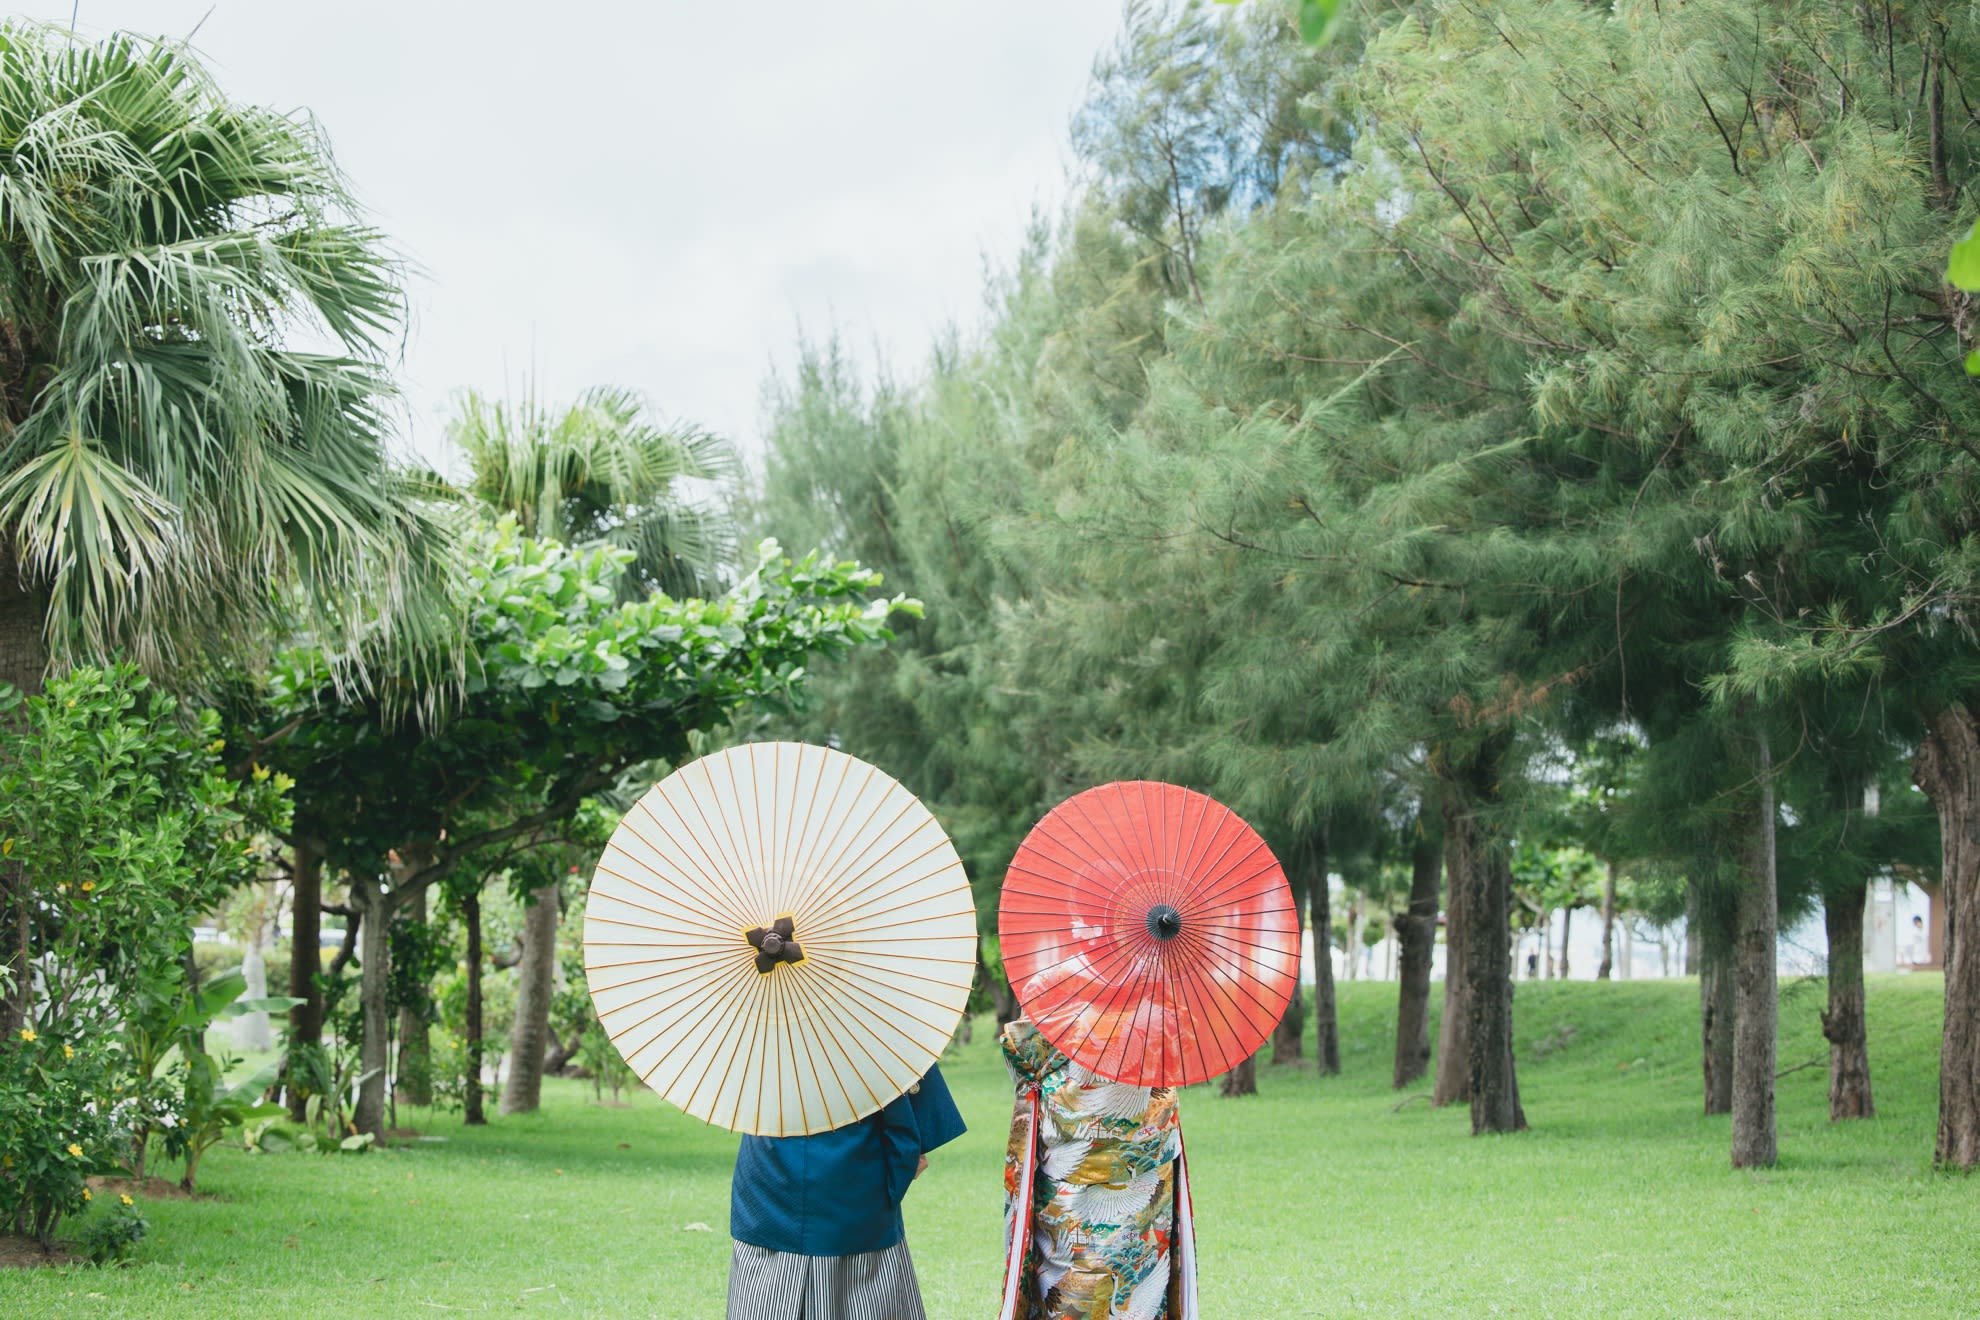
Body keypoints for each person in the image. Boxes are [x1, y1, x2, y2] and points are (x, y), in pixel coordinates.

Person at [728, 1063, 965, 1320]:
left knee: (765, 1298)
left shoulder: (762, 1031)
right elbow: (908, 1136)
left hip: (769, 1177)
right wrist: (903, 1164)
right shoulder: (871, 1029)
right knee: (862, 1300)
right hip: (854, 1177)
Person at [997, 1018, 1198, 1320]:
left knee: (1068, 1280)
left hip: (1071, 1174)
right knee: (1139, 1278)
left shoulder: (1055, 998)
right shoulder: (1159, 1009)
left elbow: (1021, 1055)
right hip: (1144, 1162)